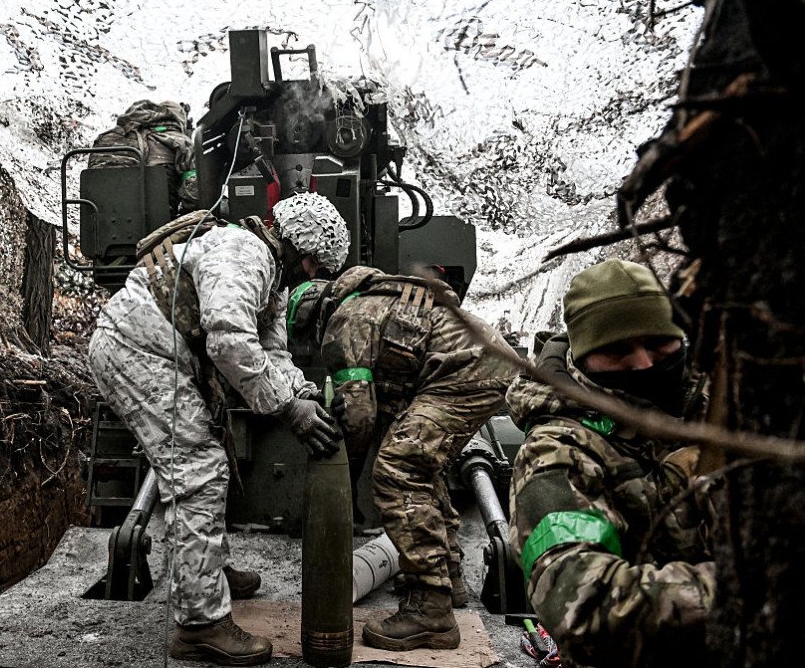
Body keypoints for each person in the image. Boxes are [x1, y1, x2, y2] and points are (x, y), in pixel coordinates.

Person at [88, 192, 350, 666]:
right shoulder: (243, 253)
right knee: (198, 471)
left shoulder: (272, 279)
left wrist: (304, 393)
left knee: (209, 461)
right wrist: (288, 410)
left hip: (165, 354)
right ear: (299, 247)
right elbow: (229, 342)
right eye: (314, 264)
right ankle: (199, 624)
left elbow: (271, 352)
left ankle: (207, 574)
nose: (311, 276)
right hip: (136, 350)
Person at [286, 266, 519, 651]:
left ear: (311, 318)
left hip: (464, 375)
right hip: (485, 367)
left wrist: (347, 482)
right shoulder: (374, 300)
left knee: (398, 470)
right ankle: (448, 578)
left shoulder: (343, 321)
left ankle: (431, 610)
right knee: (421, 468)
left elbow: (359, 416)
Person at [506, 258, 714, 668]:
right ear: (585, 358)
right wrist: (750, 586)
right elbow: (585, 607)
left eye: (659, 343)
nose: (644, 364)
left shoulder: (721, 402)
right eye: (618, 350)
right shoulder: (556, 453)